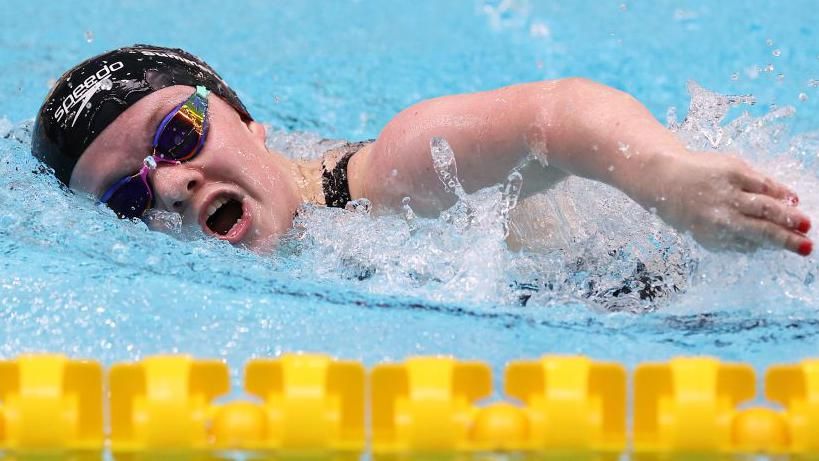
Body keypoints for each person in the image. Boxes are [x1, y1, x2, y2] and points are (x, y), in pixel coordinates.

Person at [32, 44, 813, 257]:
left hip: (723, 235)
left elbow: (554, 114)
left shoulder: (395, 172)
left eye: (177, 134)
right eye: (129, 198)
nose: (170, 187)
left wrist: (668, 180)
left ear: (245, 117)